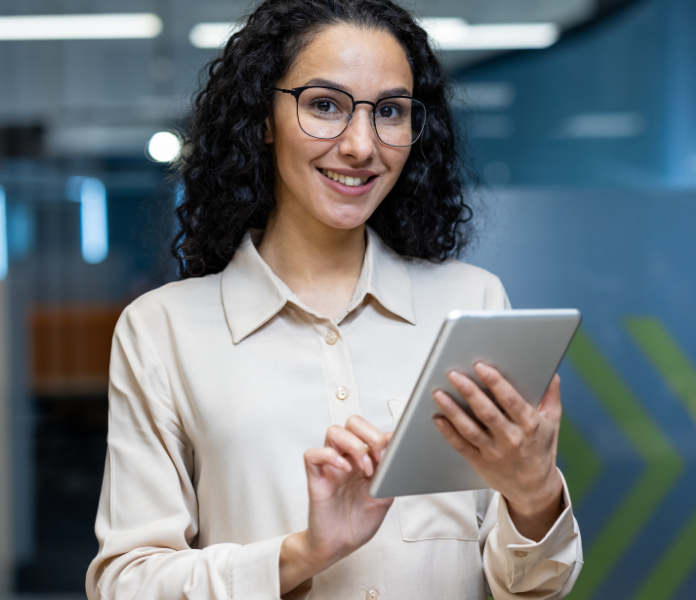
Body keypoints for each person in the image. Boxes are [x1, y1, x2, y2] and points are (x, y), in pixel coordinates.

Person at [84, 0, 582, 598]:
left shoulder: (470, 300)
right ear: (262, 116)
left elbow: (528, 589)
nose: (361, 146)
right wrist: (302, 554)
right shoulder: (164, 330)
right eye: (325, 105)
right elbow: (125, 583)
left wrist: (534, 496)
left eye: (390, 112)